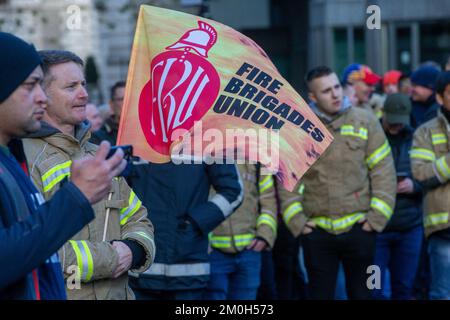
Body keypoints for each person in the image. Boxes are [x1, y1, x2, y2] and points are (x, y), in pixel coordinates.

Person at [0, 32, 126, 300]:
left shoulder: (10, 158)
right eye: (31, 85)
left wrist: (134, 249)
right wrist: (76, 197)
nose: (41, 98)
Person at [23, 50, 155, 300]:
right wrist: (114, 257)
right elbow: (37, 248)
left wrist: (134, 250)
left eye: (83, 84)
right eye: (71, 87)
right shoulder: (26, 161)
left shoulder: (99, 153)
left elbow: (139, 218)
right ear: (42, 96)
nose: (84, 94)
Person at [279, 66, 396, 300]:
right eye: (326, 91)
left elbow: (383, 171)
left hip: (360, 228)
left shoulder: (366, 121)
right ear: (312, 97)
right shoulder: (298, 129)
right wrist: (298, 222)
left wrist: (376, 219)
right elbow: (288, 178)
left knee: (363, 295)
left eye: (336, 87)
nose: (335, 95)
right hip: (317, 232)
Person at [127, 157, 243, 300]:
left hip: (187, 268)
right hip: (139, 268)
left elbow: (233, 191)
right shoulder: (136, 136)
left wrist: (195, 222)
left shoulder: (208, 138)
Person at [373, 93, 423, 300]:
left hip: (409, 228)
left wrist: (414, 185)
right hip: (375, 230)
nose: (396, 127)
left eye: (400, 123)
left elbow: (426, 174)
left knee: (404, 288)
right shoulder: (370, 135)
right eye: (392, 122)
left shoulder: (417, 138)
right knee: (372, 288)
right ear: (383, 114)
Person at [206, 164, 277, 300]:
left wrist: (264, 236)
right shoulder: (205, 154)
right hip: (213, 252)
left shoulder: (256, 156)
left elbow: (268, 200)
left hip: (249, 252)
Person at [411, 71, 450, 300]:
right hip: (444, 230)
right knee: (442, 294)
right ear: (439, 98)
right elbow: (421, 173)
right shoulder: (425, 132)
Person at [91, 81, 125, 145]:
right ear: (111, 104)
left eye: (129, 99)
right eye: (121, 99)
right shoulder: (98, 137)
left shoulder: (143, 131)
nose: (127, 103)